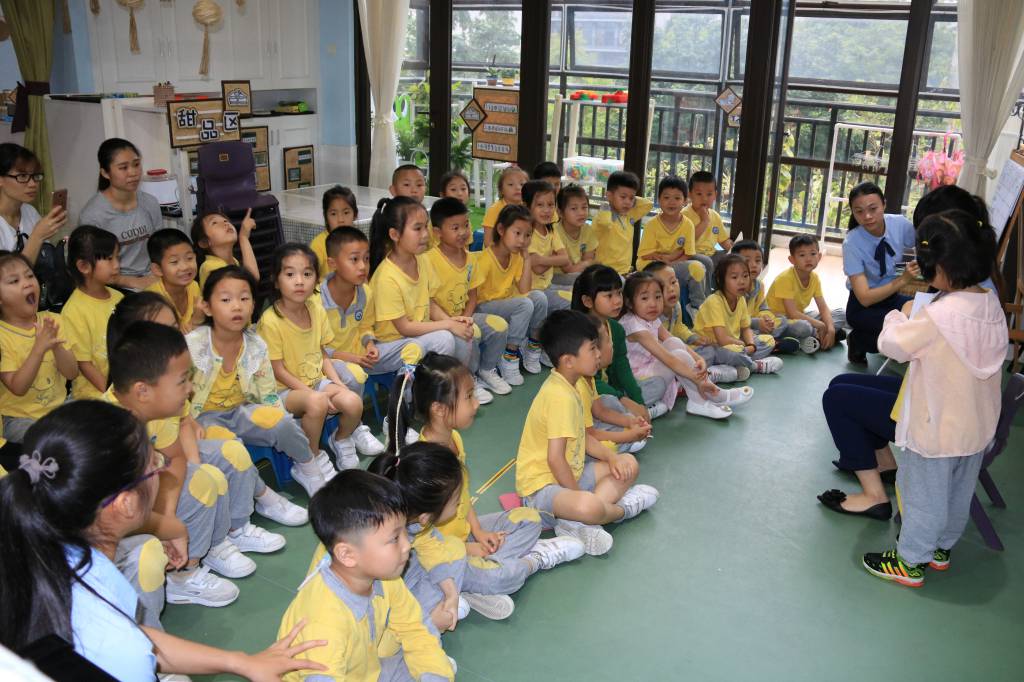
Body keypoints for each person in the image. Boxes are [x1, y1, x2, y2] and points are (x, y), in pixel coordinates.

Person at [0, 401, 328, 681]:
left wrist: (239, 661)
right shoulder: (116, 650)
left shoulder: (50, 548)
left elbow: (136, 635)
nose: (161, 468)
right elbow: (128, 646)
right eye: (155, 463)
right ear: (126, 504)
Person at [861, 210, 1007, 587]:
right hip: (975, 426)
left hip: (937, 426)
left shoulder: (939, 315)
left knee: (923, 494)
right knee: (958, 491)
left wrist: (901, 314)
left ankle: (911, 560)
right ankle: (941, 549)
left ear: (939, 266)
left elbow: (893, 345)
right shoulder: (990, 303)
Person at [399, 352, 585, 614]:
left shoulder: (454, 439)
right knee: (502, 578)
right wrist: (469, 549)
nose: (476, 404)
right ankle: (530, 561)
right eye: (468, 397)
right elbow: (424, 541)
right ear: (439, 409)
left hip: (465, 534)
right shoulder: (425, 465)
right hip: (442, 554)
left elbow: (463, 498)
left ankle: (480, 574)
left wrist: (479, 531)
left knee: (529, 518)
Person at [108, 293, 308, 532]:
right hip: (148, 481)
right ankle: (235, 522)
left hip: (180, 449)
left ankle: (245, 518)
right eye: (162, 330)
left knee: (231, 452)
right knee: (207, 476)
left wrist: (190, 432)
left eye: (174, 327)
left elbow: (181, 427)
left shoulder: (170, 376)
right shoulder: (124, 405)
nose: (176, 336)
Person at [279, 470, 454, 681]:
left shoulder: (385, 578)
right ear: (347, 555)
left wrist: (434, 673)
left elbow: (415, 628)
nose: (407, 545)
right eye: (394, 538)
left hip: (367, 668)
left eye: (404, 532)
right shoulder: (324, 623)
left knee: (434, 666)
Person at [516, 309, 659, 556]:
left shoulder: (573, 386)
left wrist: (612, 458)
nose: (598, 354)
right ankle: (621, 510)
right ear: (568, 361)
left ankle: (578, 521)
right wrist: (577, 496)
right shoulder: (559, 396)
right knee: (587, 505)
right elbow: (555, 459)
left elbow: (584, 439)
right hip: (541, 491)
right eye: (592, 349)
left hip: (570, 476)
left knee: (627, 464)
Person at [186, 266, 329, 498]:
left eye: (244, 298)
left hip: (242, 410)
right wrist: (188, 422)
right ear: (207, 306)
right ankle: (265, 498)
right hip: (203, 417)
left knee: (283, 423)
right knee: (232, 448)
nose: (237, 306)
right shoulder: (192, 345)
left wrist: (278, 420)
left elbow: (268, 392)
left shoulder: (256, 344)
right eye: (225, 300)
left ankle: (309, 469)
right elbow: (176, 394)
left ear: (253, 305)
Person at [257, 243, 367, 471]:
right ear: (276, 281)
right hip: (282, 391)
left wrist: (337, 383)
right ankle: (311, 457)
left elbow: (322, 353)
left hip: (316, 382)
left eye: (307, 274)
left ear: (316, 279)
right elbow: (278, 370)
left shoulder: (316, 310)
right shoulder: (270, 321)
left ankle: (340, 439)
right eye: (290, 274)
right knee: (317, 403)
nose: (299, 281)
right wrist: (312, 394)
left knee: (353, 402)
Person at [369, 441, 489, 628]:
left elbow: (432, 549)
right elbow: (378, 620)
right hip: (386, 619)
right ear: (425, 517)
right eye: (456, 501)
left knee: (453, 548)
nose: (461, 503)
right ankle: (438, 611)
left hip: (406, 584)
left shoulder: (409, 517)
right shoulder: (376, 555)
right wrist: (428, 624)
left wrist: (451, 594)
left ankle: (449, 602)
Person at [620, 271, 752, 420]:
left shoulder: (650, 319)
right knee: (678, 356)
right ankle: (706, 397)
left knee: (674, 343)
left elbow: (673, 340)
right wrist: (697, 380)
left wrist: (698, 359)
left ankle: (703, 396)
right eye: (645, 298)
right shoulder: (634, 326)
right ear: (629, 303)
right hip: (639, 383)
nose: (653, 303)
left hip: (650, 370)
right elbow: (668, 359)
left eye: (657, 297)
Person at [367, 196, 470, 374]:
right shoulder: (386, 278)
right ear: (395, 235)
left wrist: (452, 321)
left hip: (416, 338)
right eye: (417, 228)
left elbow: (429, 303)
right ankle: (419, 391)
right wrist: (447, 325)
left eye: (425, 226)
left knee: (463, 334)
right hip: (388, 347)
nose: (425, 234)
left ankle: (459, 383)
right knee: (444, 339)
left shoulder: (422, 260)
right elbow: (405, 328)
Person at [426, 197, 512, 404]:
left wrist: (465, 317)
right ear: (437, 232)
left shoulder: (471, 258)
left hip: (464, 315)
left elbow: (472, 295)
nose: (463, 232)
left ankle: (486, 370)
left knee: (499, 326)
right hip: (439, 321)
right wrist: (452, 322)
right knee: (469, 335)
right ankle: (467, 379)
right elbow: (428, 302)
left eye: (466, 225)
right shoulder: (428, 259)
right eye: (455, 228)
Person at [318, 226, 388, 457]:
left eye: (366, 259)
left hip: (358, 355)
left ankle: (398, 417)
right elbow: (318, 348)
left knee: (410, 351)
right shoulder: (316, 299)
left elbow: (366, 326)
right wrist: (352, 358)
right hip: (326, 361)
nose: (362, 266)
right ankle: (352, 429)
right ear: (333, 263)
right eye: (354, 259)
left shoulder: (365, 292)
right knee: (355, 375)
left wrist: (370, 345)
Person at [0, 252, 78, 442]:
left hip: (61, 407)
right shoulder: (2, 336)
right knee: (54, 438)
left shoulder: (53, 320)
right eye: (14, 281)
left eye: (29, 275)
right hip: (19, 419)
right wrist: (39, 348)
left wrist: (56, 346)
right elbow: (18, 387)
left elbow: (71, 373)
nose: (27, 283)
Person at [571, 263, 662, 420]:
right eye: (609, 296)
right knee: (609, 402)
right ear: (587, 301)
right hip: (590, 395)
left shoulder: (616, 329)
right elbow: (589, 382)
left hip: (614, 391)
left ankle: (637, 414)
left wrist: (638, 403)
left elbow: (623, 369)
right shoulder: (580, 334)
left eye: (619, 293)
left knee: (658, 384)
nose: (617, 301)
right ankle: (631, 416)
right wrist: (623, 399)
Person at [841, 181, 918, 364]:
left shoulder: (898, 224)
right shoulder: (851, 243)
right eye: (859, 211)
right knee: (898, 331)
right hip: (862, 308)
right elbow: (865, 298)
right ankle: (858, 340)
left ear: (884, 204)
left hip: (891, 298)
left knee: (922, 315)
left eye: (873, 208)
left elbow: (923, 241)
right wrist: (903, 280)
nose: (867, 216)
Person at [472, 204, 549, 378]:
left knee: (539, 297)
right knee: (525, 304)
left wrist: (527, 259)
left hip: (504, 303)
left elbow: (525, 288)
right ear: (501, 230)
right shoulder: (485, 259)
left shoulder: (516, 256)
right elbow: (473, 295)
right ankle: (509, 356)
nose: (522, 240)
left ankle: (532, 347)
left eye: (527, 235)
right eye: (517, 233)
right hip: (483, 307)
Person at [79, 138, 161, 290]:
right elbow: (94, 268)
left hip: (151, 277)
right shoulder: (93, 215)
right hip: (115, 285)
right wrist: (132, 282)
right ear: (105, 173)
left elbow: (159, 248)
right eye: (123, 168)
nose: (133, 173)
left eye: (136, 164)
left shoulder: (150, 203)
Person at [61, 225, 123, 399]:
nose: (117, 265)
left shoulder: (118, 297)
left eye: (118, 257)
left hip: (124, 386)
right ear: (84, 266)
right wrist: (114, 394)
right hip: (94, 396)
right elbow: (84, 364)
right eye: (109, 259)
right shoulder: (74, 311)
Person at [693, 255, 783, 374]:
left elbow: (746, 328)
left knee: (769, 341)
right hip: (712, 347)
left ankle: (732, 367)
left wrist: (751, 345)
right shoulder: (714, 301)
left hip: (734, 344)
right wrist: (743, 345)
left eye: (745, 276)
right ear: (720, 280)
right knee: (731, 352)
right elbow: (722, 339)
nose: (741, 281)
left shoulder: (740, 299)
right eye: (734, 277)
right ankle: (755, 366)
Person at [636, 175, 709, 312]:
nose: (671, 202)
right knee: (642, 266)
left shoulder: (688, 225)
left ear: (685, 201)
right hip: (653, 264)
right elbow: (644, 255)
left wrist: (671, 261)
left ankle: (697, 307)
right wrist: (662, 258)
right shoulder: (651, 225)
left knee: (698, 267)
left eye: (677, 198)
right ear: (659, 200)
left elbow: (688, 254)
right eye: (666, 197)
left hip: (675, 264)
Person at [765, 234, 847, 354]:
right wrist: (820, 325)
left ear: (819, 257)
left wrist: (830, 329)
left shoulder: (814, 278)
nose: (808, 259)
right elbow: (792, 313)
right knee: (803, 327)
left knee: (841, 313)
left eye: (813, 254)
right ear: (792, 260)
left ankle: (819, 337)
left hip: (800, 316)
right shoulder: (785, 278)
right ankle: (817, 337)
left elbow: (823, 307)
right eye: (802, 255)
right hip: (779, 320)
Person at [0, 143, 67, 263]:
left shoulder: (29, 211)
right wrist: (37, 236)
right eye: (22, 176)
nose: (32, 184)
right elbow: (13, 273)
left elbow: (44, 260)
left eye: (36, 176)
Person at [523, 179, 572, 315]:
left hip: (548, 285)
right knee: (572, 301)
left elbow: (565, 259)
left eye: (550, 205)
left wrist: (541, 259)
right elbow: (537, 269)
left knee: (580, 289)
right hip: (533, 291)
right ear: (526, 206)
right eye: (540, 205)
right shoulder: (526, 233)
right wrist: (555, 258)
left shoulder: (551, 229)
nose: (546, 210)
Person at [593, 171, 653, 276]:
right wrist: (606, 207)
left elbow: (648, 205)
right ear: (609, 195)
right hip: (605, 273)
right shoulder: (602, 216)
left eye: (631, 198)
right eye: (623, 197)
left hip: (625, 272)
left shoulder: (629, 215)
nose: (627, 202)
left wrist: (633, 199)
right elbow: (605, 223)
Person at [145, 228, 205, 332]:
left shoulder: (194, 286)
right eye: (174, 262)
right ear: (158, 269)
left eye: (189, 258)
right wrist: (195, 321)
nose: (185, 267)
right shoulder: (152, 301)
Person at [192, 209, 260, 291]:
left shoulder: (234, 261)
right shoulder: (208, 266)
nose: (225, 223)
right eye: (214, 223)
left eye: (225, 221)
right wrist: (243, 237)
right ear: (204, 242)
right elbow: (251, 279)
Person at [684, 171, 733, 268]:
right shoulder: (684, 215)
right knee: (706, 261)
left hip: (712, 254)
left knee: (730, 258)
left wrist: (733, 249)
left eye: (709, 194)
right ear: (690, 194)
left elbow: (723, 241)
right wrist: (704, 221)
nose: (704, 199)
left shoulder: (715, 216)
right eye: (699, 194)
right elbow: (686, 241)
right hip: (692, 255)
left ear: (715, 195)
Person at [553, 183, 596, 288]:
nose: (581, 213)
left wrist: (587, 263)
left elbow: (589, 259)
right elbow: (568, 270)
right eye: (574, 208)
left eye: (584, 207)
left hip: (578, 274)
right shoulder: (554, 232)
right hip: (556, 277)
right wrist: (586, 264)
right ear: (560, 213)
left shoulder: (588, 230)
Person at [310, 185, 358, 277]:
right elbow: (310, 276)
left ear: (355, 214)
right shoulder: (318, 245)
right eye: (333, 214)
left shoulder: (359, 241)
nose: (340, 220)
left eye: (346, 213)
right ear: (326, 217)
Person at [482, 165, 528, 246]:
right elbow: (488, 242)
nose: (518, 188)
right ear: (501, 190)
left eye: (522, 184)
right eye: (511, 184)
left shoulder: (527, 209)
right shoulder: (494, 210)